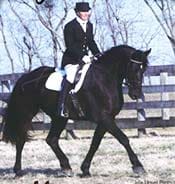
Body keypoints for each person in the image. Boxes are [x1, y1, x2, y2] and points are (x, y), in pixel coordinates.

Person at [58, 2, 101, 116]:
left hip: (86, 59)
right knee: (71, 77)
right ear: (77, 12)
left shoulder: (89, 25)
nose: (86, 14)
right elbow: (70, 46)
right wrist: (82, 56)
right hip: (71, 60)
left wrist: (98, 54)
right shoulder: (69, 26)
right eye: (83, 11)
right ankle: (62, 106)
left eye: (87, 11)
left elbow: (91, 42)